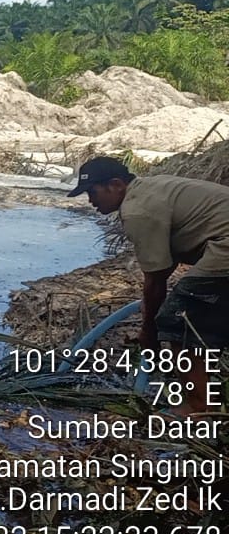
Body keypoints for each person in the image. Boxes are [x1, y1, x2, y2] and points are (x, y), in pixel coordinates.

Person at [67, 156, 229, 417]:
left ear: (116, 184)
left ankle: (199, 406)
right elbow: (165, 266)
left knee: (178, 320)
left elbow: (155, 280)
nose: (90, 201)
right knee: (209, 318)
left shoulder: (137, 210)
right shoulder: (154, 187)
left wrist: (150, 331)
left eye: (93, 192)